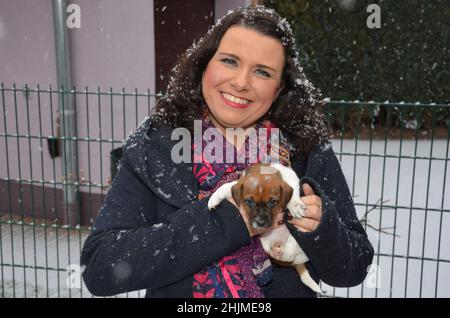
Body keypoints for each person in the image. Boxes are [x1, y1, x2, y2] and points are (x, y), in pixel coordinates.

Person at [81, 5, 374, 298]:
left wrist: (324, 230)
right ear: (205, 63)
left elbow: (354, 266)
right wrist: (227, 220)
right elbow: (100, 267)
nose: (241, 82)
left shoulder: (304, 148)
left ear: (279, 87)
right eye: (230, 61)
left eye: (262, 71)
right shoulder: (156, 145)